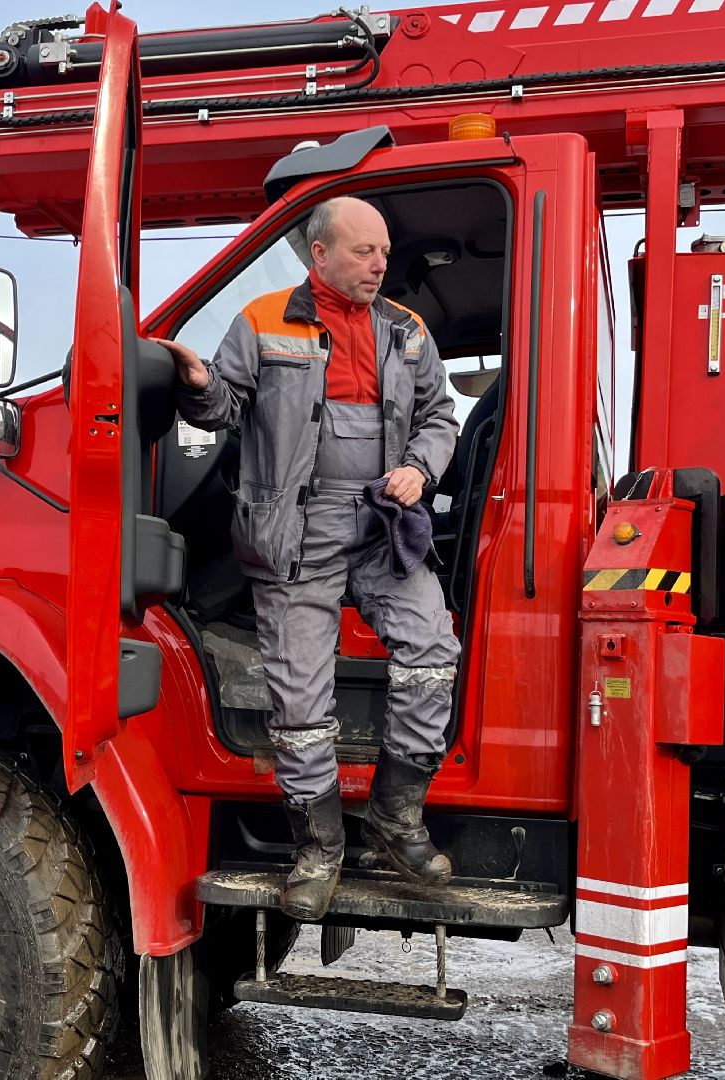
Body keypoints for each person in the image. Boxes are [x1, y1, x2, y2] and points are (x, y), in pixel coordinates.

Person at [155, 196, 462, 921]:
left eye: (383, 251)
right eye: (364, 251)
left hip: (386, 524)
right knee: (300, 702)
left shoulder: (407, 330)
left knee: (433, 655)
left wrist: (420, 467)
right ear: (319, 254)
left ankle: (395, 818)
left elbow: (439, 415)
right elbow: (225, 408)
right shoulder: (263, 321)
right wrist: (199, 387)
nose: (379, 264)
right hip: (297, 529)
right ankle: (318, 850)